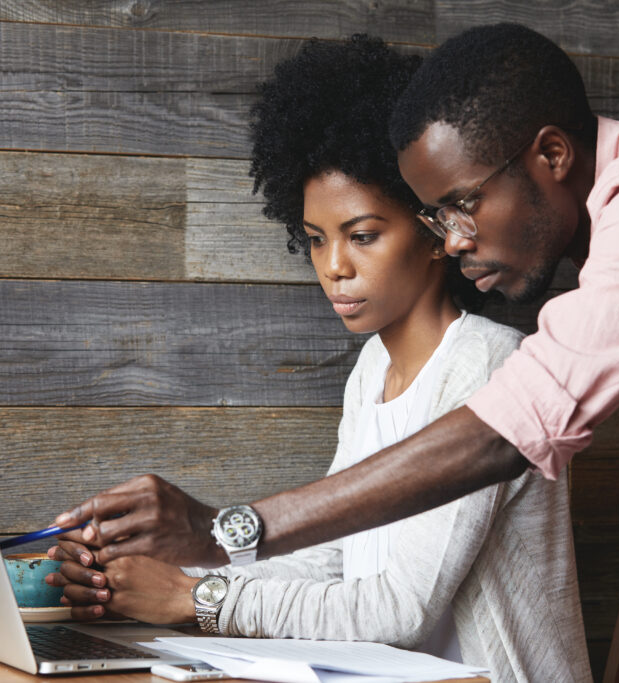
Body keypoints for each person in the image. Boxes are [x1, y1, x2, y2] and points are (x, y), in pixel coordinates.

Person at [52, 23, 619, 573]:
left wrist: (225, 531)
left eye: (462, 206)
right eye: (435, 218)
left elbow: (510, 431)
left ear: (552, 154)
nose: (451, 241)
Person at [48, 35, 591, 681]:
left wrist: (193, 599)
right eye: (314, 240)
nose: (334, 267)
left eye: (362, 235)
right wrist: (157, 578)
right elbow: (332, 560)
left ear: (437, 231)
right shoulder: (371, 376)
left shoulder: (489, 365)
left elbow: (400, 608)